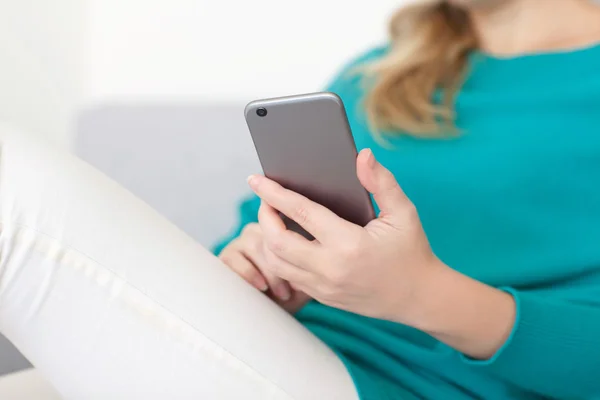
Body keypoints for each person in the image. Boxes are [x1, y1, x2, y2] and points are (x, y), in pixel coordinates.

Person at [1, 0, 599, 399]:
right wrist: (258, 266)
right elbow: (254, 232)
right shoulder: (382, 74)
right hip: (272, 349)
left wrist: (420, 294)